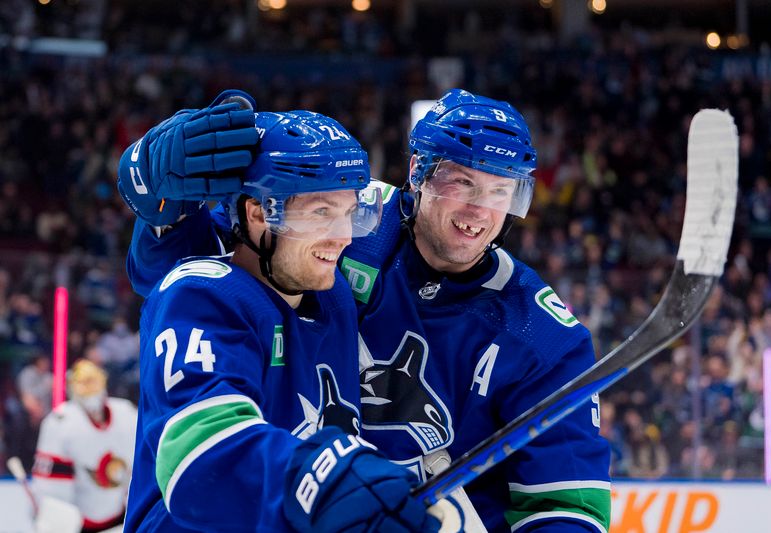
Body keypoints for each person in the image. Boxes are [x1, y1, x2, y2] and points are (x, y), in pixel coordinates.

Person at [121, 89, 611, 532]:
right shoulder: (343, 224)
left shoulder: (543, 334)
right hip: (281, 500)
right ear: (419, 173)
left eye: (500, 190)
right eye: (462, 182)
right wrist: (162, 203)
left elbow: (566, 504)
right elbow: (189, 274)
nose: (479, 210)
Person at [119, 100, 449, 532]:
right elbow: (199, 459)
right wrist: (322, 480)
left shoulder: (334, 300)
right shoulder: (201, 293)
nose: (343, 237)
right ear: (258, 213)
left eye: (350, 213)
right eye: (321, 213)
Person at [31, 359, 137, 532]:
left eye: (93, 382)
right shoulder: (60, 423)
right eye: (84, 384)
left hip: (122, 520)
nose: (90, 389)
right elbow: (53, 493)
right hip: (80, 525)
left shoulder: (126, 413)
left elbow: (143, 466)